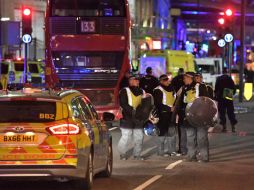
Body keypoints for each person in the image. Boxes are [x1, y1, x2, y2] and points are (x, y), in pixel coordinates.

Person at [176, 72, 210, 162]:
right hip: (188, 117)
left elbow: (207, 101)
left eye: (185, 78)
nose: (184, 80)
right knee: (190, 137)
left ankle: (204, 157)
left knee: (201, 137)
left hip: (200, 117)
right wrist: (181, 114)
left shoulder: (201, 87)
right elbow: (182, 103)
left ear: (190, 78)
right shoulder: (184, 88)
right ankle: (191, 156)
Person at [118, 75, 145, 160]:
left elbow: (145, 104)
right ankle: (122, 154)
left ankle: (137, 155)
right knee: (126, 137)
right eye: (135, 80)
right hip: (127, 117)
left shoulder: (142, 91)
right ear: (130, 81)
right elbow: (123, 103)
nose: (138, 82)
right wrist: (133, 111)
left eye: (138, 80)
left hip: (138, 118)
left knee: (139, 137)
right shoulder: (124, 91)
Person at [154, 74, 177, 157]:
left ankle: (172, 151)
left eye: (167, 79)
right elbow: (158, 104)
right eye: (165, 80)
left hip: (172, 114)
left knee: (172, 133)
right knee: (162, 133)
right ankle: (161, 152)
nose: (167, 81)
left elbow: (175, 99)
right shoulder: (158, 90)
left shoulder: (172, 88)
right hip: (162, 114)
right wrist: (169, 108)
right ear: (161, 81)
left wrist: (175, 107)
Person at [215, 68, 238, 132]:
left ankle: (224, 127)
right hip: (228, 94)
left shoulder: (219, 79)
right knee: (230, 111)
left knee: (222, 112)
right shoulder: (229, 79)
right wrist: (231, 94)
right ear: (227, 72)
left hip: (221, 96)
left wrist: (216, 96)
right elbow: (234, 88)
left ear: (222, 72)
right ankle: (233, 126)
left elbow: (216, 88)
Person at [171, 68, 186, 155]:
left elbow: (175, 94)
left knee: (181, 129)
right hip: (184, 108)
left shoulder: (175, 79)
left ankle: (182, 148)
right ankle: (186, 148)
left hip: (179, 106)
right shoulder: (186, 86)